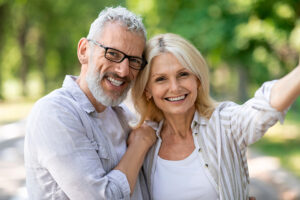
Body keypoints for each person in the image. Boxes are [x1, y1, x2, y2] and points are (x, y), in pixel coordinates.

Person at [131, 33, 300, 200]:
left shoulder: (223, 123)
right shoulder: (144, 141)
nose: (174, 87)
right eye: (161, 79)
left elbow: (264, 108)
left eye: (183, 74)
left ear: (197, 79)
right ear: (147, 90)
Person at [24, 6, 156, 200]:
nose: (124, 71)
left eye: (134, 60)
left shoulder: (122, 116)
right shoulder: (54, 113)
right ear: (84, 50)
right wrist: (139, 145)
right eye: (113, 54)